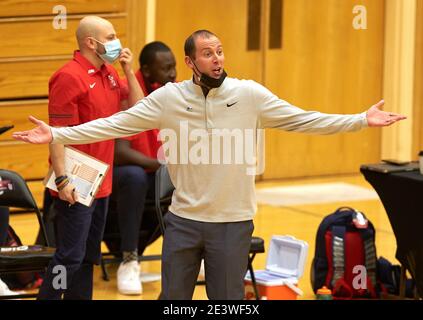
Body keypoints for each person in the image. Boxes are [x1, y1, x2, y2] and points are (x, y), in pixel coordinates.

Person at [13, 30, 406, 300]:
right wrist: (56, 135)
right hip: (183, 223)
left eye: (220, 51)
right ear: (190, 61)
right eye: (207, 53)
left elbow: (303, 119)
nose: (217, 59)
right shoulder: (168, 99)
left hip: (233, 224)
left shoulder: (249, 95)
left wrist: (359, 120)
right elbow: (113, 124)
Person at [32, 16, 143, 300]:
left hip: (101, 180)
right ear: (91, 43)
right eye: (111, 36)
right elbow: (57, 134)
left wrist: (129, 70)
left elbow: (141, 109)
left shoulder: (108, 73)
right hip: (74, 180)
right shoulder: (69, 76)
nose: (117, 42)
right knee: (68, 256)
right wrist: (62, 178)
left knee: (87, 258)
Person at [111, 41, 176, 295]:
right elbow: (120, 152)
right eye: (166, 68)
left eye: (174, 68)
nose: (172, 74)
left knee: (191, 174)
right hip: (120, 177)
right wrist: (163, 164)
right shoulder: (130, 92)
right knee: (134, 176)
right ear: (146, 72)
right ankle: (129, 260)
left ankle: (194, 253)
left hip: (154, 175)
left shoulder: (173, 93)